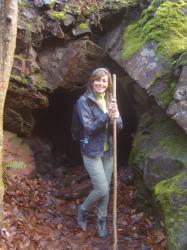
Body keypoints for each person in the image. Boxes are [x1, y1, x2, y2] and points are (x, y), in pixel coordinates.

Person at [74, 68, 123, 239]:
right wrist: (106, 115)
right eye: (98, 80)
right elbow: (88, 128)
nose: (101, 84)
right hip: (91, 150)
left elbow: (120, 127)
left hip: (108, 151)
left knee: (106, 189)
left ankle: (101, 219)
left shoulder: (111, 99)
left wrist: (116, 116)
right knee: (101, 188)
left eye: (104, 81)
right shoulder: (84, 102)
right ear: (91, 82)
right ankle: (83, 210)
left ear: (108, 83)